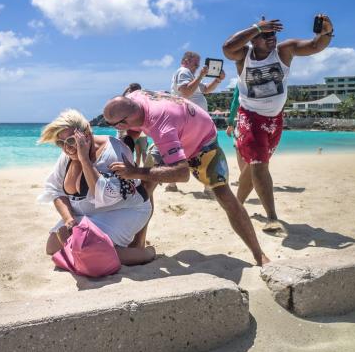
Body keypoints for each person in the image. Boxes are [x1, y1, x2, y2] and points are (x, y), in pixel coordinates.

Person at [103, 91, 269, 266]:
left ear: (124, 121)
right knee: (144, 190)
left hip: (202, 143)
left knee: (224, 195)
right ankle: (138, 245)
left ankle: (259, 255)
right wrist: (126, 144)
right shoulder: (134, 99)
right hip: (173, 137)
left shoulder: (161, 125)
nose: (114, 128)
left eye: (113, 125)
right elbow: (134, 130)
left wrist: (134, 172)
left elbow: (182, 174)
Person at [222, 14, 333, 233]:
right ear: (254, 39)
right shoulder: (244, 56)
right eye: (265, 35)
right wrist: (256, 27)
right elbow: (227, 48)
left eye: (273, 34)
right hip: (250, 116)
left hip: (275, 119)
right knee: (258, 163)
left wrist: (327, 32)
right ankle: (272, 217)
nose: (271, 38)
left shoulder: (284, 51)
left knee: (256, 166)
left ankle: (237, 205)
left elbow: (315, 46)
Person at [38, 109, 155, 266]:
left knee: (93, 251)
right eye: (61, 143)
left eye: (71, 141)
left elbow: (106, 197)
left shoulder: (114, 152)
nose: (67, 148)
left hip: (122, 210)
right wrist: (69, 219)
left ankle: (144, 254)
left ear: (87, 133)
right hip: (87, 213)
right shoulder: (66, 155)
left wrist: (85, 160)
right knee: (52, 246)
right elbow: (56, 190)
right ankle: (103, 245)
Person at [165, 51, 225, 192]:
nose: (198, 66)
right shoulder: (184, 71)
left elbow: (206, 90)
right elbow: (185, 92)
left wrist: (218, 80)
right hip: (189, 121)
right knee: (204, 149)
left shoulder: (191, 75)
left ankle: (173, 183)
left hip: (193, 121)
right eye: (196, 64)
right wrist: (200, 76)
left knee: (188, 150)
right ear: (186, 60)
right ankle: (204, 185)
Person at [225, 85, 247, 175]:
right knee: (262, 150)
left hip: (247, 118)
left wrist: (230, 123)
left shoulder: (242, 79)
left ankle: (244, 177)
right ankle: (260, 175)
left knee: (239, 148)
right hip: (267, 118)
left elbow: (235, 103)